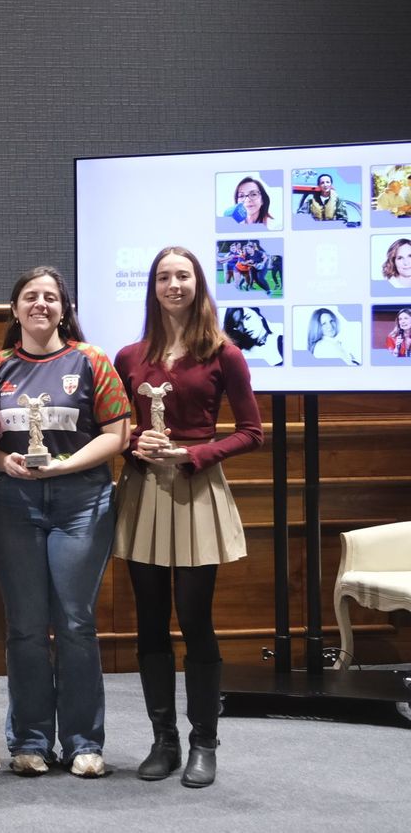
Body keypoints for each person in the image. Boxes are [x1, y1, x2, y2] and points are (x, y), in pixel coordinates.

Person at [113, 246, 262, 789]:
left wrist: (194, 455)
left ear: (198, 284)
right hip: (143, 491)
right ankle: (163, 740)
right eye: (163, 277)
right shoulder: (129, 356)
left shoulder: (225, 353)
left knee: (195, 619)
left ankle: (205, 743)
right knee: (149, 621)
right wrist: (134, 443)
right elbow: (112, 429)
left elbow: (252, 431)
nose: (173, 285)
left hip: (198, 491)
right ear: (152, 287)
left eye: (183, 276)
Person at [0, 267, 130, 780]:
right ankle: (30, 740)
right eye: (29, 297)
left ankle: (85, 742)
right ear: (15, 309)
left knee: (74, 623)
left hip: (81, 502)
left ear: (64, 309)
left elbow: (118, 432)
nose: (40, 304)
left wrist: (67, 465)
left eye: (50, 297)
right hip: (13, 505)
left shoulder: (91, 361)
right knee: (23, 626)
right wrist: (3, 463)